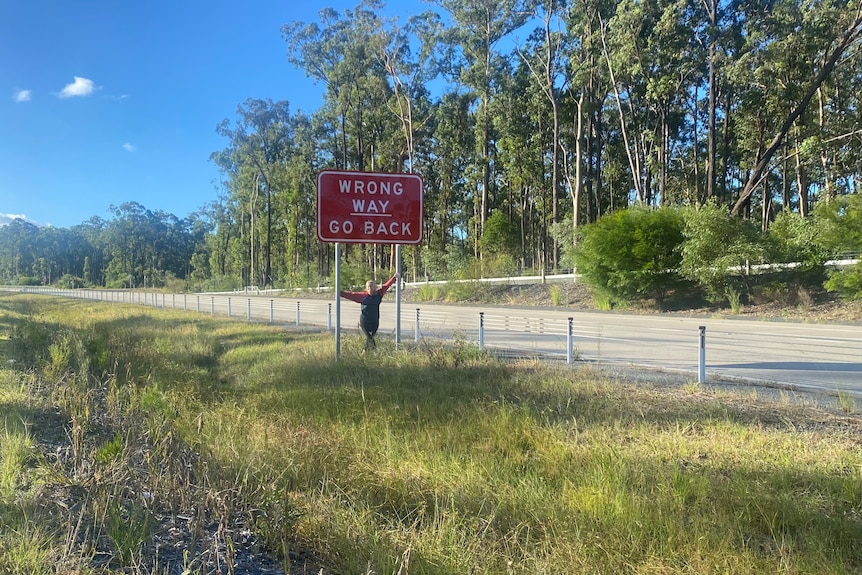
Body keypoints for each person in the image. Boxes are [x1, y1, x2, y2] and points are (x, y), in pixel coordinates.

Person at [339, 273, 399, 351]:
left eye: (372, 286)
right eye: (368, 287)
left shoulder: (379, 294)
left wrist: (394, 278)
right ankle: (371, 351)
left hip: (375, 321)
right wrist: (339, 293)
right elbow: (351, 295)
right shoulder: (362, 296)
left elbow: (386, 286)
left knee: (371, 338)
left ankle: (366, 352)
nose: (370, 288)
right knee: (369, 337)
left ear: (375, 287)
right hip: (365, 321)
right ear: (366, 288)